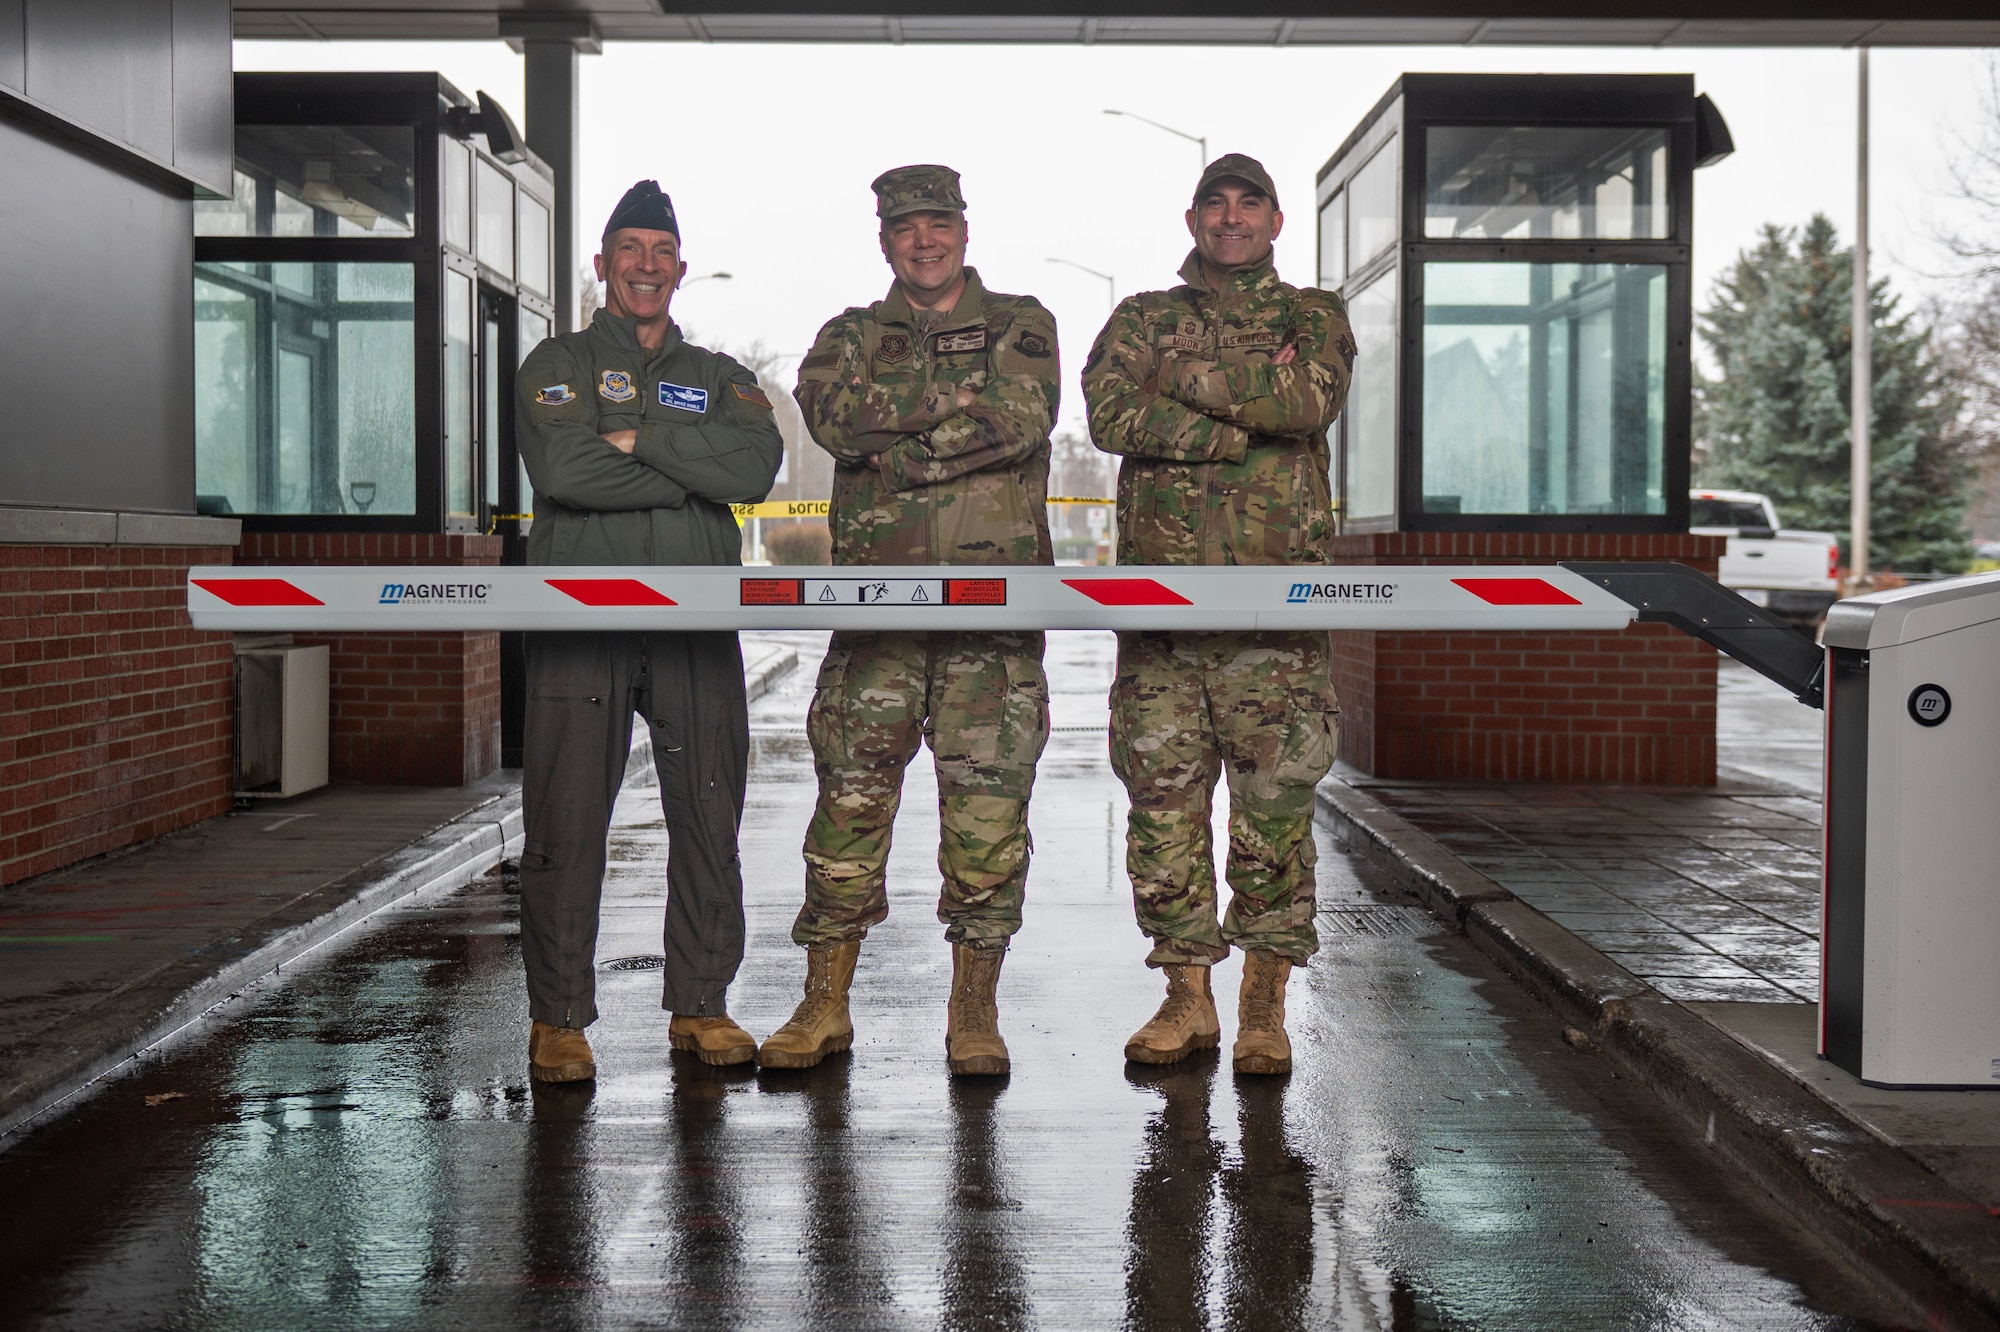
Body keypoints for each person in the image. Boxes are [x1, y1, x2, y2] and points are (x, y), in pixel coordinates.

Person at [761, 165, 1060, 1077]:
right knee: (847, 814)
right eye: (905, 229)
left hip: (991, 628)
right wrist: (957, 410)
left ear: (964, 230)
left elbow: (1024, 418)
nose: (923, 241)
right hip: (875, 624)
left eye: (937, 224)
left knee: (987, 825)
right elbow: (836, 423)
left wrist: (902, 452)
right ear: (885, 240)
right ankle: (824, 1004)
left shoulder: (1022, 323)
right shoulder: (847, 335)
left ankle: (974, 1012)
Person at [1082, 153, 1356, 1076]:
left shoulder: (1312, 315)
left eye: (1249, 204)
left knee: (1272, 816)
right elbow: (1110, 416)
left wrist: (1186, 381)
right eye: (1216, 204)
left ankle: (1264, 1007)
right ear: (1191, 218)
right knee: (1162, 814)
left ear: (1276, 221)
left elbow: (1310, 397)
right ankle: (1186, 998)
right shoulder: (1141, 318)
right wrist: (1244, 418)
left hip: (1274, 626)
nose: (1231, 217)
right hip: (1163, 624)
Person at [514, 181, 784, 1081]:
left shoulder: (720, 375)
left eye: (661, 251)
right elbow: (562, 464)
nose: (646, 265)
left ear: (679, 266)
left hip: (693, 627)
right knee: (565, 819)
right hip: (580, 624)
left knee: (709, 812)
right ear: (602, 264)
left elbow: (754, 466)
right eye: (630, 248)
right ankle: (558, 1020)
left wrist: (637, 442)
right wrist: (686, 471)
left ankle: (701, 1006)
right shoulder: (555, 361)